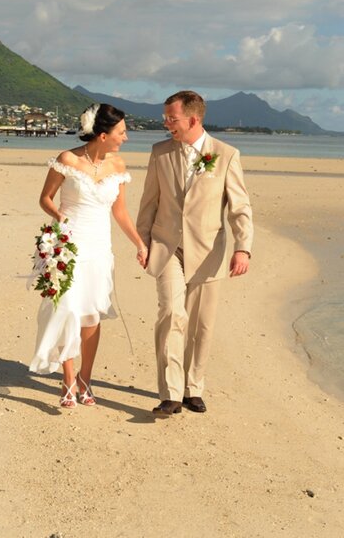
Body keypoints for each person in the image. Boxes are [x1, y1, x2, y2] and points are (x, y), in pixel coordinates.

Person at [137, 90, 253, 417]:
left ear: (193, 119)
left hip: (208, 252)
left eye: (171, 119)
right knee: (171, 314)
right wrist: (143, 241)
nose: (166, 123)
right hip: (166, 246)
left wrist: (243, 248)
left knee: (201, 324)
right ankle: (171, 394)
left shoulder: (226, 155)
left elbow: (240, 207)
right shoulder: (159, 152)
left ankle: (193, 388)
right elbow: (149, 202)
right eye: (165, 118)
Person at [29, 103, 148, 408]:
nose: (126, 137)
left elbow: (120, 212)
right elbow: (45, 198)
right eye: (122, 132)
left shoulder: (118, 167)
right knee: (67, 309)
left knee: (91, 317)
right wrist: (59, 218)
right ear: (103, 134)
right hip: (69, 245)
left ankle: (86, 379)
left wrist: (139, 243)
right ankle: (68, 381)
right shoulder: (67, 160)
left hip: (98, 248)